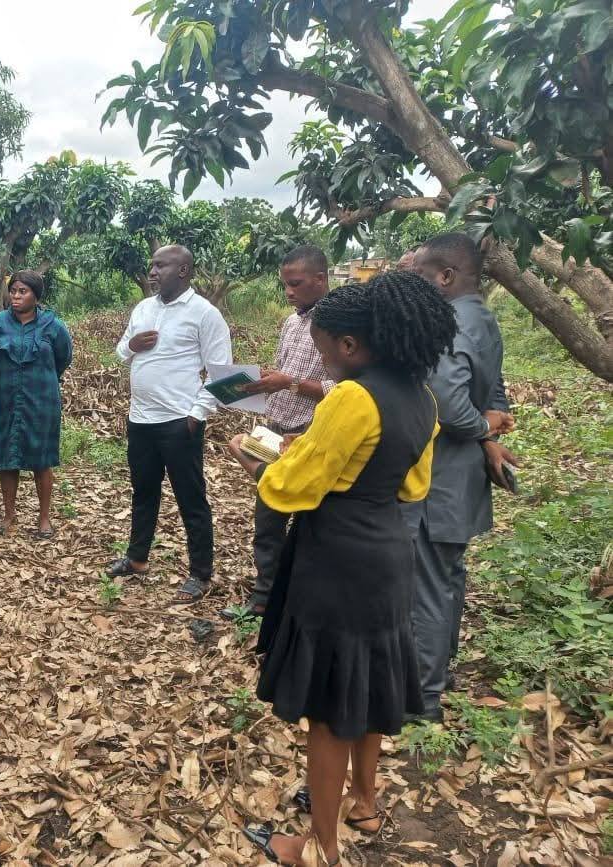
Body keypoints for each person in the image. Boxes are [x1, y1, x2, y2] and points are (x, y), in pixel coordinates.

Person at [227, 273, 457, 867]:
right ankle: (365, 801)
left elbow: (294, 486)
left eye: (324, 346)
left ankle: (317, 846)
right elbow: (412, 482)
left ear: (351, 346)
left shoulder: (351, 396)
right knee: (368, 679)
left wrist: (257, 461)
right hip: (387, 553)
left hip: (337, 561)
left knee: (330, 706)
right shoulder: (420, 396)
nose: (321, 357)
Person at [405, 232, 517, 721]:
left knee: (427, 585)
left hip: (441, 479)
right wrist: (490, 424)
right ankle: (441, 669)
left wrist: (481, 427)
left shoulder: (449, 323)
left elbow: (450, 408)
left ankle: (423, 701)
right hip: (461, 481)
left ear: (445, 276)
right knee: (447, 578)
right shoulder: (483, 318)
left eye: (423, 275)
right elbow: (495, 391)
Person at [106, 244, 233, 605]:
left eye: (161, 265)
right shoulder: (143, 308)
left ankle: (200, 573)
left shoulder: (204, 314)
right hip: (140, 419)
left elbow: (222, 373)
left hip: (179, 422)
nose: (152, 271)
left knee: (191, 497)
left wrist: (197, 415)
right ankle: (137, 557)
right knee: (143, 491)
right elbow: (120, 352)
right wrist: (130, 345)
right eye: (152, 265)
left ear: (183, 271)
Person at [239, 246, 333, 615]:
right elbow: (284, 371)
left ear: (320, 279)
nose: (288, 292)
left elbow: (340, 390)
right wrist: (266, 381)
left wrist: (289, 382)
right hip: (275, 427)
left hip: (311, 432)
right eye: (285, 285)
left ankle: (303, 600)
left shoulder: (341, 324)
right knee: (268, 510)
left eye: (295, 284)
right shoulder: (292, 322)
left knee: (312, 518)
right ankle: (265, 597)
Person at [0, 270, 72, 539]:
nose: (16, 296)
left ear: (36, 295)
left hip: (42, 400)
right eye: (14, 291)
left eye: (23, 291)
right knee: (7, 459)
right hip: (4, 398)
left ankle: (44, 518)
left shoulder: (54, 327)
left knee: (42, 460)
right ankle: (9, 516)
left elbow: (63, 358)